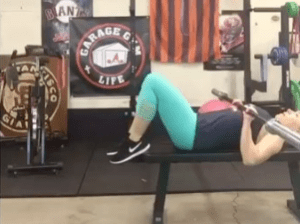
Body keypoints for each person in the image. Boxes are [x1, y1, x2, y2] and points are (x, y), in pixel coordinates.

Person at [108, 73, 300, 165]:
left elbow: (251, 159)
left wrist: (247, 122)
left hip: (193, 134)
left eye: (296, 115)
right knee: (153, 83)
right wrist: (236, 107)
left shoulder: (278, 137)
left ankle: (132, 142)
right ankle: (132, 141)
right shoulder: (271, 122)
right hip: (196, 124)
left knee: (153, 82)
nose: (291, 111)